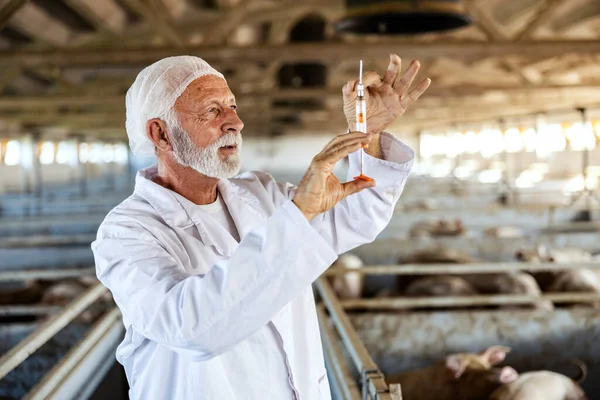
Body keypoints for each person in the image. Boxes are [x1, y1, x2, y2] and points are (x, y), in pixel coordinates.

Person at [92, 54, 430, 400]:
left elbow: (357, 217)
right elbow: (192, 330)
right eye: (212, 110)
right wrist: (298, 214)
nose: (235, 122)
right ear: (161, 134)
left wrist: (367, 132)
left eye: (232, 107)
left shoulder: (261, 194)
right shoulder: (127, 233)